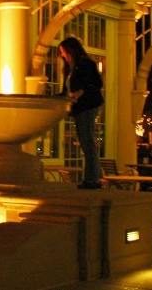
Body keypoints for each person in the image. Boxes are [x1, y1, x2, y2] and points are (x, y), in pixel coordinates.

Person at [59, 37, 104, 189]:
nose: (62, 55)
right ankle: (94, 176)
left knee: (87, 140)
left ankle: (92, 179)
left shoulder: (86, 64)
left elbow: (97, 83)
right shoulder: (71, 68)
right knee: (85, 141)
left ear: (70, 50)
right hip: (79, 107)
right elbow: (67, 90)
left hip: (87, 105)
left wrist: (80, 92)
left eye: (63, 51)